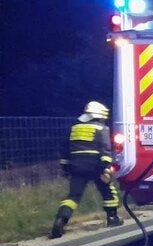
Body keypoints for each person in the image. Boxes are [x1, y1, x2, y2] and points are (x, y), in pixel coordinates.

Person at [50, 101, 123, 238]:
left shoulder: (74, 128)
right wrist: (106, 168)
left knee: (73, 196)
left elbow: (65, 149)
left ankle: (60, 221)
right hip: (96, 166)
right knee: (108, 191)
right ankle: (112, 218)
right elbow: (105, 149)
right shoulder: (102, 129)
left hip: (76, 166)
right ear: (99, 115)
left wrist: (65, 166)